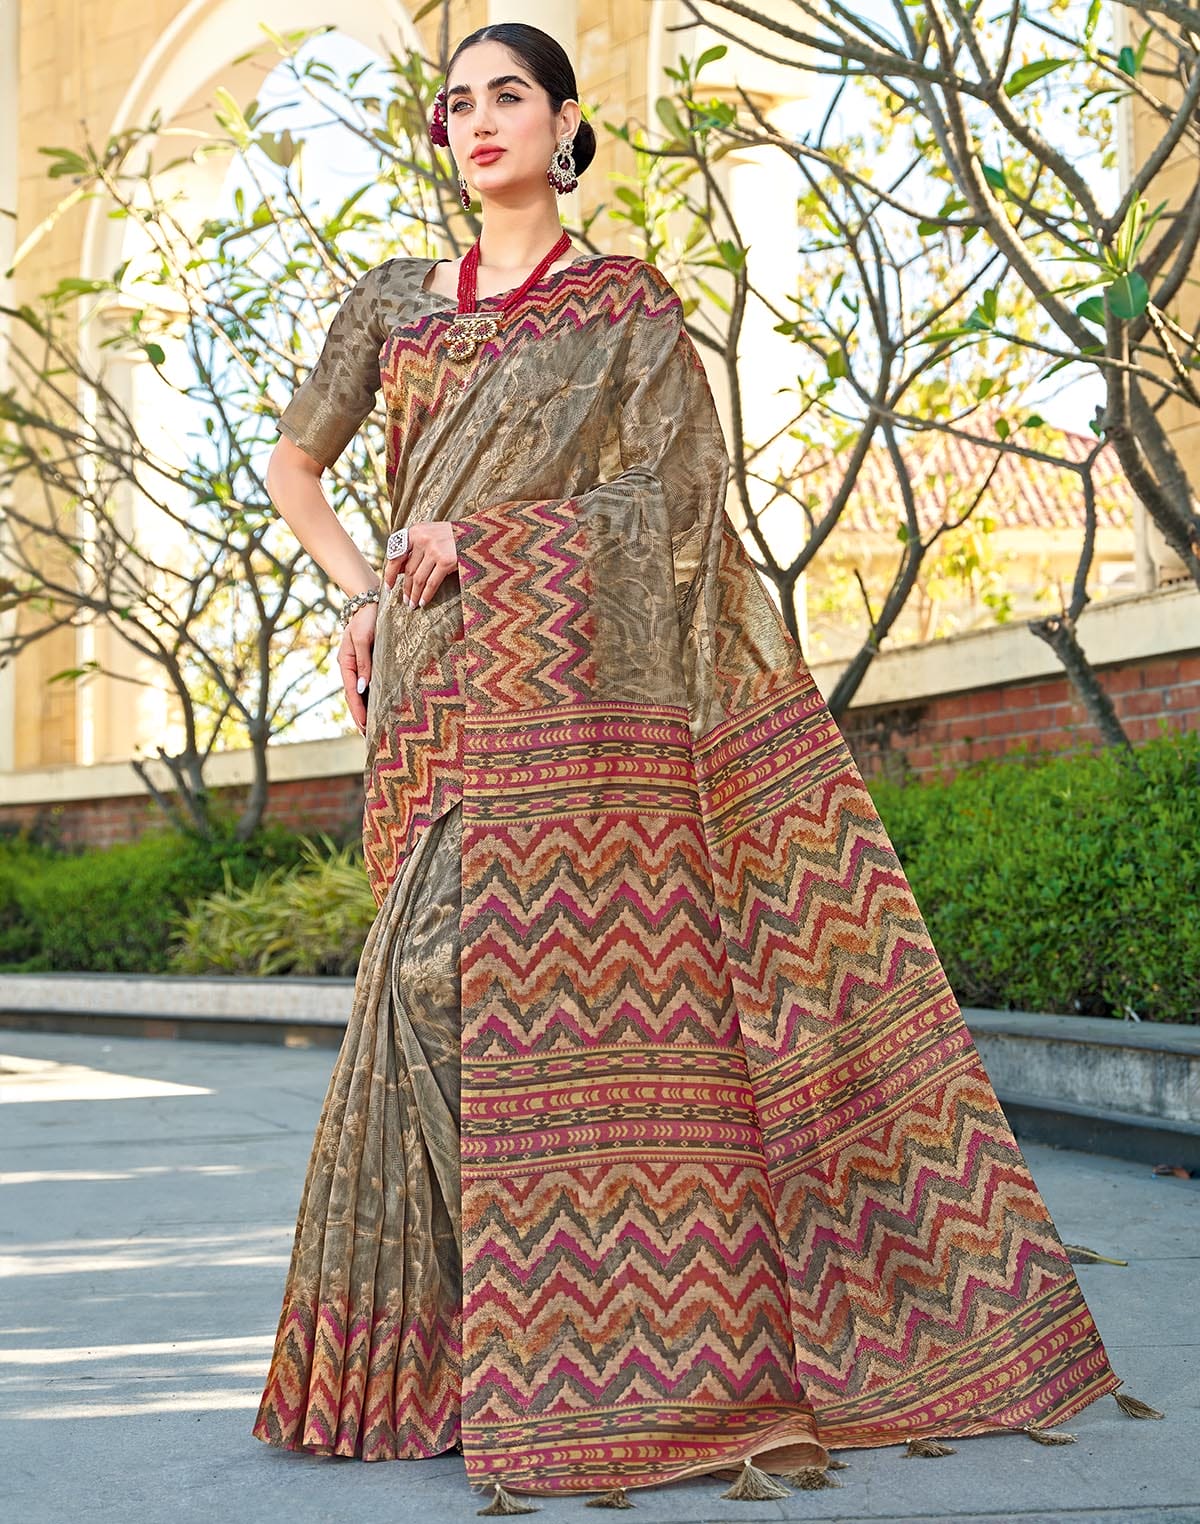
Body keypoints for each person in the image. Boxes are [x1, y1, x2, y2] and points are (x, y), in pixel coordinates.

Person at [251, 20, 1160, 1514]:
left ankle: (587, 1360)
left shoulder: (621, 306)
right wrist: (359, 587)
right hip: (429, 684)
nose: (482, 124)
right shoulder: (391, 304)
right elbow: (301, 461)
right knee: (428, 994)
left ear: (563, 123)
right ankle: (457, 1361)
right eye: (459, 104)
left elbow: (673, 506)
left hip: (573, 687)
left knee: (482, 993)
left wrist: (492, 540)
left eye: (511, 99)